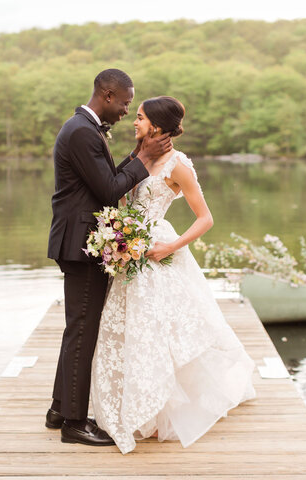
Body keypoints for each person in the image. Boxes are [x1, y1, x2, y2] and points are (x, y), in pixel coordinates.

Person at [90, 96, 256, 454]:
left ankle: (162, 410)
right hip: (129, 255)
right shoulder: (136, 156)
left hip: (160, 252)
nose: (134, 123)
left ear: (158, 126)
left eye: (139, 118)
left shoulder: (178, 165)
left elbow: (205, 218)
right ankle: (138, 405)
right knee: (130, 329)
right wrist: (117, 235)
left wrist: (171, 247)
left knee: (158, 330)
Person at [45, 69, 172, 446]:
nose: (126, 111)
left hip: (80, 241)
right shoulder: (82, 130)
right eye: (126, 103)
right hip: (80, 245)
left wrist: (135, 154)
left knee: (78, 328)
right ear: (108, 93)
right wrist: (145, 158)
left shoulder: (84, 126)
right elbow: (108, 190)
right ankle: (73, 423)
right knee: (83, 331)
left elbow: (105, 177)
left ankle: (58, 409)